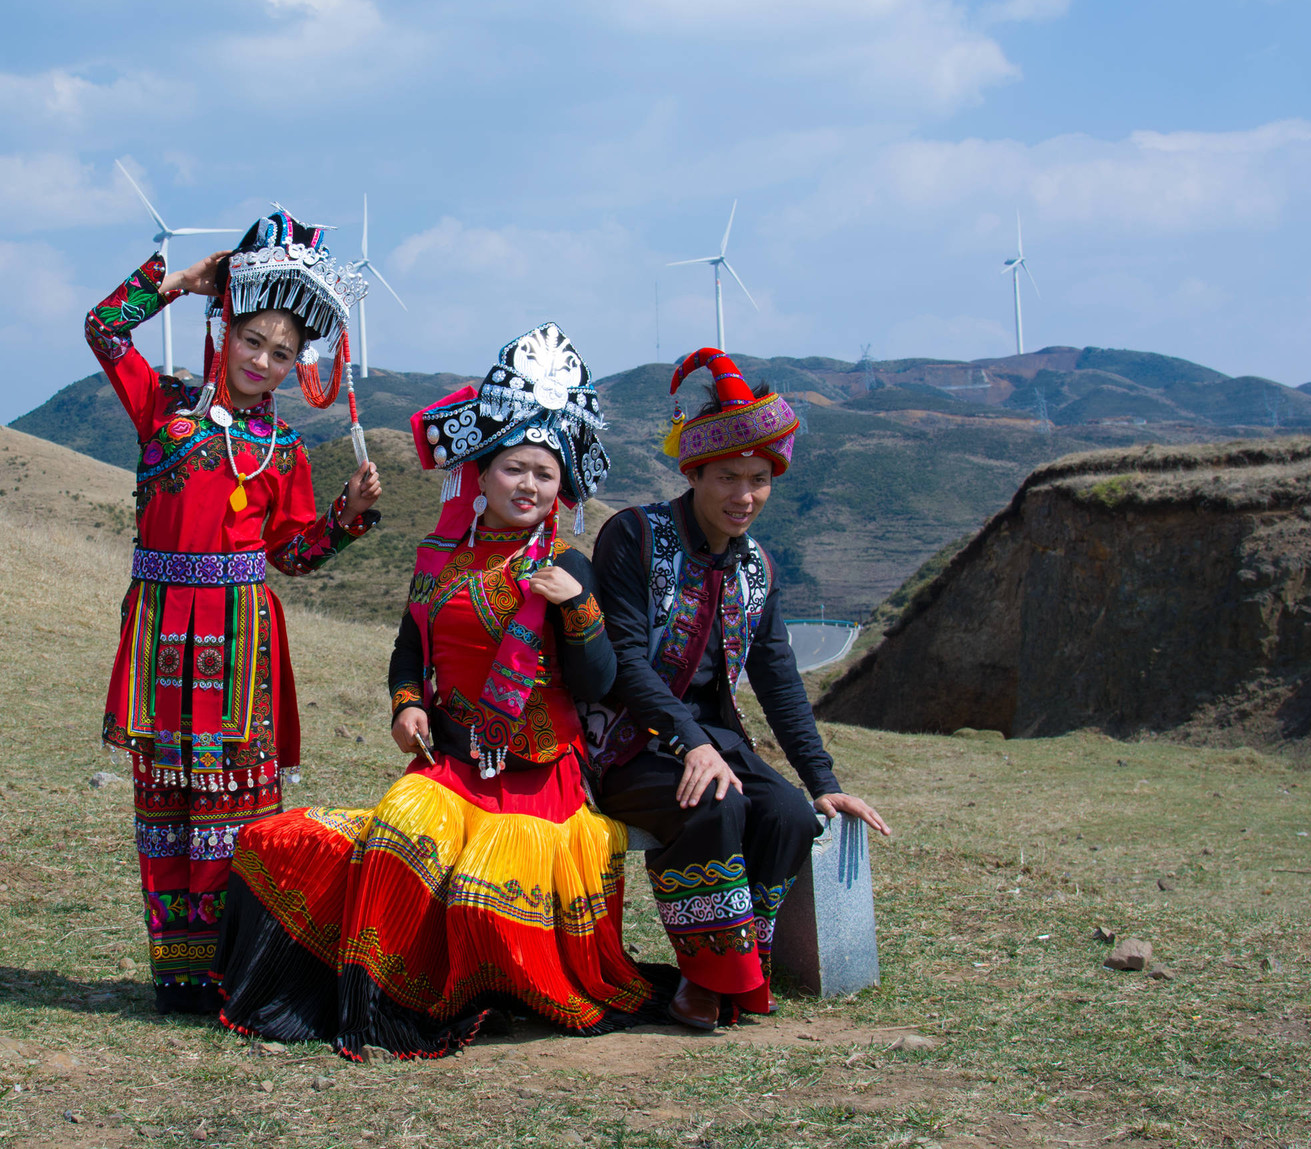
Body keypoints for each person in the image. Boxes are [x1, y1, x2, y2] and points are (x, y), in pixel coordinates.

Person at [217, 324, 669, 1059]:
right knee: (394, 836)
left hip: (539, 782)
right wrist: (408, 707)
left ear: (562, 487)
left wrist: (575, 610)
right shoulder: (439, 558)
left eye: (546, 475)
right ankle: (384, 994)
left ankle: (483, 984)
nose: (529, 486)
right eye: (516, 469)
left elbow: (600, 683)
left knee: (478, 882)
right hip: (451, 765)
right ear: (482, 475)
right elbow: (409, 650)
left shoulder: (567, 563)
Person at [85, 208, 384, 1014]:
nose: (263, 360)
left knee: (232, 803)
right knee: (164, 799)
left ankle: (230, 969)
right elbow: (104, 330)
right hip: (161, 631)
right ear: (226, 325)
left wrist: (346, 518)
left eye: (282, 353)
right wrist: (180, 280)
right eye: (253, 340)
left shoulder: (284, 451)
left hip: (241, 639)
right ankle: (176, 973)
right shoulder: (164, 406)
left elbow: (292, 555)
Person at [584, 348, 891, 1031]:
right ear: (694, 472)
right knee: (715, 801)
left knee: (785, 813)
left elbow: (777, 677)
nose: (743, 495)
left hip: (714, 743)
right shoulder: (634, 536)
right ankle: (709, 978)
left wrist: (822, 778)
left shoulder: (757, 568)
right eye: (727, 476)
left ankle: (736, 965)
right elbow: (629, 662)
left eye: (758, 479)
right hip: (627, 743)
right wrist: (689, 741)